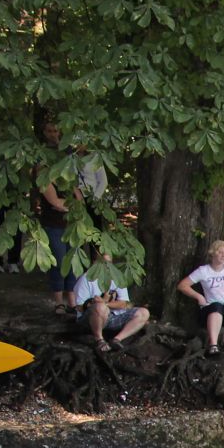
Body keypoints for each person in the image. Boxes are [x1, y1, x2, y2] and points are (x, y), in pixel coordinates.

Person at [32, 115, 78, 312]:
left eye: (56, 130)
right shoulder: (41, 159)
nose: (53, 134)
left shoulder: (67, 151)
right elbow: (54, 201)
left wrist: (73, 205)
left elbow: (78, 198)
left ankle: (73, 302)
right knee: (58, 262)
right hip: (53, 223)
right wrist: (71, 205)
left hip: (72, 224)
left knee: (73, 261)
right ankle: (59, 303)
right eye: (50, 130)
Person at [178, 238, 224, 358]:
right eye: (220, 252)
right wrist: (199, 296)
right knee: (216, 306)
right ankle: (213, 345)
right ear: (212, 253)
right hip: (211, 312)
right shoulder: (203, 271)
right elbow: (182, 285)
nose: (223, 256)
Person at [75, 261, 151, 354]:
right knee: (100, 307)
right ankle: (99, 340)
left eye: (109, 263)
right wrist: (96, 305)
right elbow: (79, 307)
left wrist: (105, 303)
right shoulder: (86, 278)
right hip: (90, 319)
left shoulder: (116, 278)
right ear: (95, 263)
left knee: (144, 313)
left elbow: (124, 303)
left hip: (112, 317)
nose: (106, 266)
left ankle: (116, 340)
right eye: (103, 262)